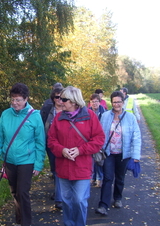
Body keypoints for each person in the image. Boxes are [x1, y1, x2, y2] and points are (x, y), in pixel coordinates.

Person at [47, 86, 105, 226]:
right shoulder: (58, 118)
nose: (61, 101)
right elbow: (51, 140)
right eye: (60, 99)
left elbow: (99, 139)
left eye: (64, 99)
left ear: (73, 101)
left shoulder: (90, 116)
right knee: (66, 200)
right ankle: (69, 224)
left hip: (82, 167)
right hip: (63, 168)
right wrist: (62, 150)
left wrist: (81, 150)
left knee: (79, 200)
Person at [0, 83, 46, 226]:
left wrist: (39, 164)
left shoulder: (35, 116)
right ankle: (19, 220)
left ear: (26, 99)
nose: (14, 103)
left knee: (22, 192)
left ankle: (26, 223)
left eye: (18, 100)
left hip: (26, 160)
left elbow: (40, 142)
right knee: (15, 192)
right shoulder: (5, 114)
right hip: (9, 160)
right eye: (13, 99)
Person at [95, 91, 141, 216]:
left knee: (120, 178)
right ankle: (103, 205)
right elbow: (99, 134)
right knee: (108, 178)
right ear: (111, 103)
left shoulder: (130, 117)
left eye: (119, 102)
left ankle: (118, 198)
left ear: (123, 102)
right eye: (114, 102)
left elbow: (136, 137)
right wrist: (98, 148)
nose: (117, 104)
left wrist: (136, 156)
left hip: (124, 153)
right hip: (108, 153)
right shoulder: (105, 116)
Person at [40, 85, 64, 209]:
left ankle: (60, 196)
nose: (60, 100)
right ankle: (58, 192)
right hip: (50, 144)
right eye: (57, 97)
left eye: (62, 97)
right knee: (55, 169)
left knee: (62, 169)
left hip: (65, 145)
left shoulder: (69, 110)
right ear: (53, 99)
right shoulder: (47, 109)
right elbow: (41, 125)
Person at [89, 93, 107, 187]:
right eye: (92, 101)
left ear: (100, 102)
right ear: (90, 103)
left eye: (96, 101)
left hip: (100, 138)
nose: (94, 103)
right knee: (91, 160)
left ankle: (99, 178)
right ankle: (92, 177)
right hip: (89, 138)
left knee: (99, 159)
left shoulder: (105, 112)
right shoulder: (87, 112)